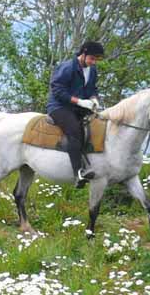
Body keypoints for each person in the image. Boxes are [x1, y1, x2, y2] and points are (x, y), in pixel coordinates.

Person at [46, 41, 103, 188]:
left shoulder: (92, 69)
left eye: (96, 59)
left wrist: (93, 100)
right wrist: (79, 101)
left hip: (79, 107)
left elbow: (92, 89)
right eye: (92, 58)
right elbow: (57, 90)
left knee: (99, 124)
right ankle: (78, 173)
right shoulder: (67, 67)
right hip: (59, 107)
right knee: (74, 130)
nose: (93, 62)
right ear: (83, 54)